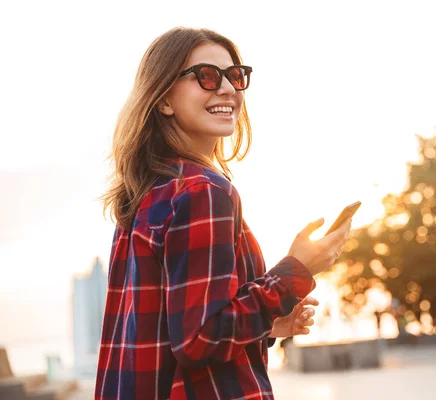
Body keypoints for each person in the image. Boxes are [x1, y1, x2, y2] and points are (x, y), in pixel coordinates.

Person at [95, 27, 352, 400]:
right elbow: (199, 340)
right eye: (207, 76)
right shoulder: (203, 191)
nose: (229, 88)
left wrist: (270, 324)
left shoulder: (144, 195)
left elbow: (173, 330)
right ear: (164, 99)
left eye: (235, 76)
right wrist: (296, 272)